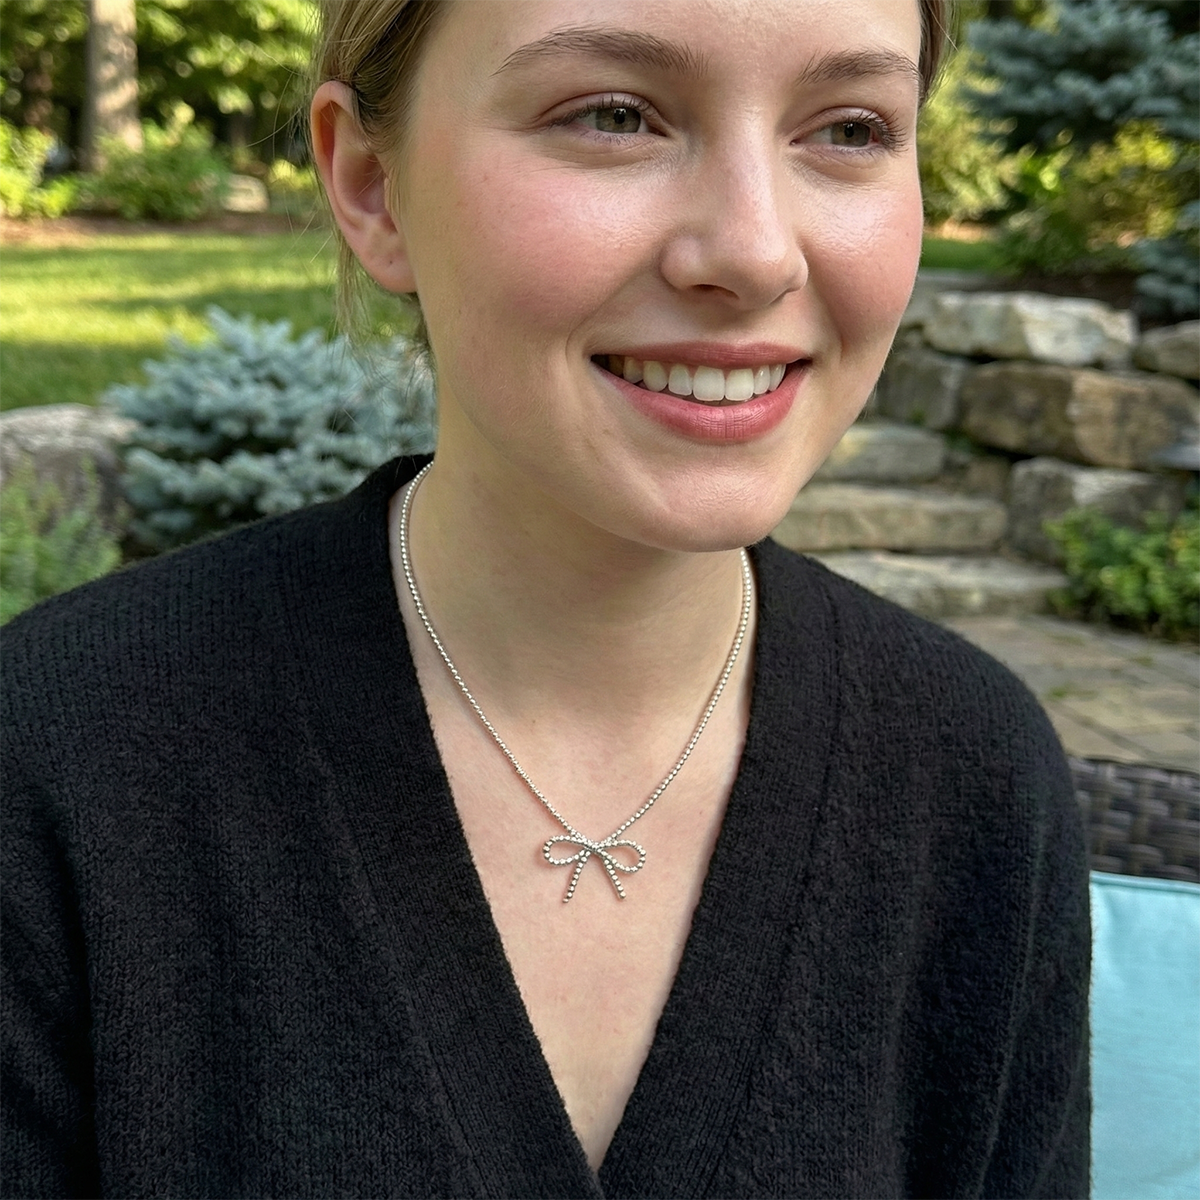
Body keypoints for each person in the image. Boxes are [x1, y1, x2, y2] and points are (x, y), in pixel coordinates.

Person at [0, 0, 1090, 1193]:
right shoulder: (58, 758)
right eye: (613, 116)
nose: (755, 252)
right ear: (371, 186)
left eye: (849, 129)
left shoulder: (972, 776)